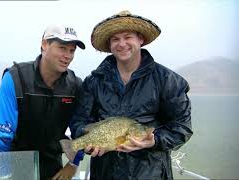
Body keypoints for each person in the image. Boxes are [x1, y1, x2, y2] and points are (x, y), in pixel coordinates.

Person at [69, 10, 193, 180]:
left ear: (140, 39)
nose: (122, 44)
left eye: (128, 37)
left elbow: (182, 128)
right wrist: (88, 141)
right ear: (109, 44)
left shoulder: (167, 80)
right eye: (115, 39)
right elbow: (78, 121)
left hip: (151, 175)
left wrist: (154, 140)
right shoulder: (94, 81)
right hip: (104, 174)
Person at [0, 24, 85, 180]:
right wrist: (4, 174)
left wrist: (73, 165)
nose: (68, 55)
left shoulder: (75, 85)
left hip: (54, 170)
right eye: (62, 48)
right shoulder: (15, 78)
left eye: (72, 50)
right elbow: (2, 136)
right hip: (17, 170)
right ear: (44, 44)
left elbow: (81, 131)